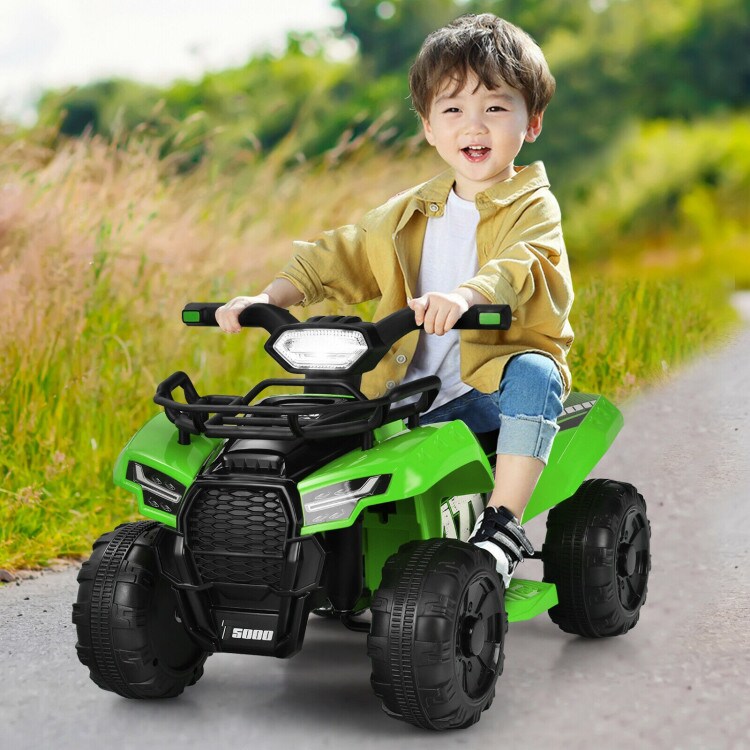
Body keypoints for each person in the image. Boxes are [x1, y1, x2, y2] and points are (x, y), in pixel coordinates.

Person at [215, 13, 574, 588]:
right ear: (428, 126)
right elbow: (341, 253)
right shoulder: (407, 210)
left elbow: (518, 266)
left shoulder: (533, 206)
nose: (473, 125)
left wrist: (466, 295)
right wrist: (268, 295)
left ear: (531, 122)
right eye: (452, 110)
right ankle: (283, 545)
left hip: (484, 389)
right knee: (318, 410)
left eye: (494, 107)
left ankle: (503, 524)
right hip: (404, 391)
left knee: (536, 373)